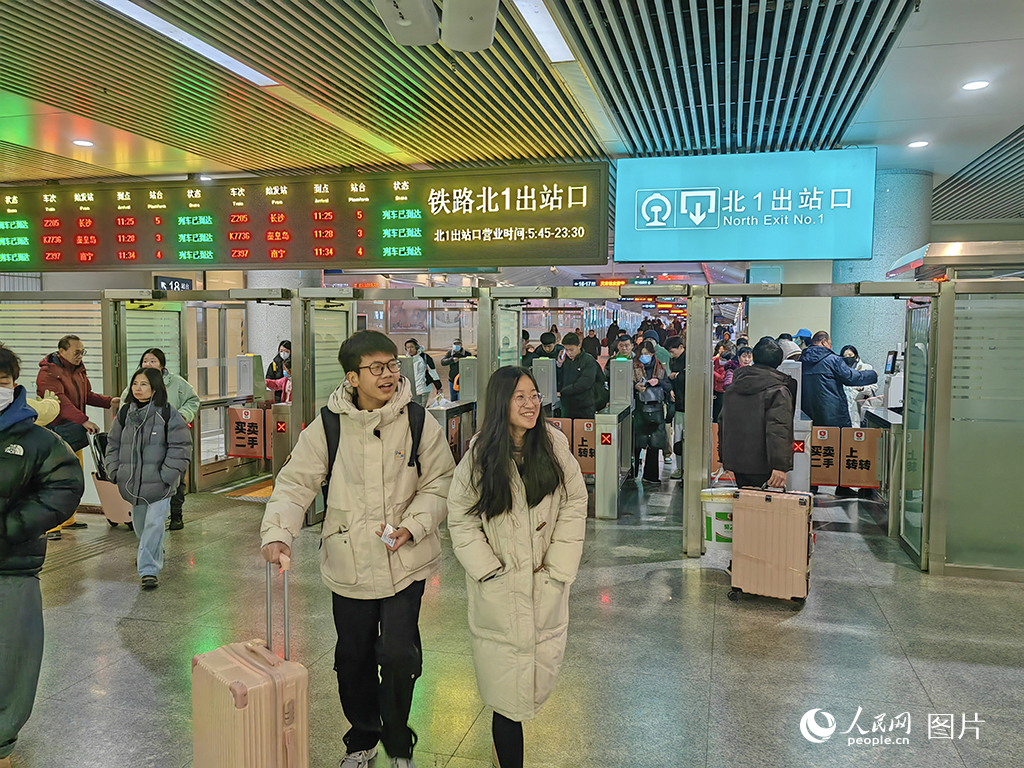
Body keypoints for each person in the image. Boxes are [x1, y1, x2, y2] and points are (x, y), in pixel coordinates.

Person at [260, 331, 456, 768]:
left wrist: (413, 525)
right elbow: (295, 484)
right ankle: (362, 739)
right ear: (353, 377)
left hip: (405, 561)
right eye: (376, 368)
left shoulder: (419, 421)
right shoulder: (328, 425)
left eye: (391, 366)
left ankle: (398, 739)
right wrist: (278, 532)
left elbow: (442, 482)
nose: (388, 375)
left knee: (400, 654)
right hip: (348, 561)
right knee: (353, 658)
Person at [447, 366, 587, 768]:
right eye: (519, 397)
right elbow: (459, 517)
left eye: (534, 395)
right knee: (504, 696)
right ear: (500, 403)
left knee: (533, 680)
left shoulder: (555, 445)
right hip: (499, 590)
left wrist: (559, 566)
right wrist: (488, 569)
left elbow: (576, 502)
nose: (531, 404)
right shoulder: (480, 456)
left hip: (545, 584)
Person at [0, 344, 84, 768]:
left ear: (14, 384)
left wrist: (10, 528)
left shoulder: (37, 440)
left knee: (10, 660)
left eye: (1, 380)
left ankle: (1, 744)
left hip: (12, 568)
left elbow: (66, 487)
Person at [105, 368, 191, 589]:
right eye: (135, 383)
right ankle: (152, 550)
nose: (138, 388)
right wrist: (114, 471)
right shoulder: (125, 413)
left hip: (161, 484)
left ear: (155, 387)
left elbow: (181, 447)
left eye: (143, 384)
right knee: (142, 526)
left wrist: (168, 475)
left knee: (154, 524)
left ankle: (148, 571)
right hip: (133, 484)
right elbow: (113, 444)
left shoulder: (168, 413)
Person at [35, 334, 119, 537]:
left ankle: (68, 519)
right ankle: (52, 525)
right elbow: (60, 402)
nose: (80, 355)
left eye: (82, 352)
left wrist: (110, 402)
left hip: (72, 433)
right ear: (62, 351)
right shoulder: (49, 373)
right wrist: (83, 419)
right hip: (55, 432)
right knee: (55, 479)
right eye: (76, 352)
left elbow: (86, 395)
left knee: (73, 477)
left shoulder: (78, 370)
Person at [121, 348, 199, 530]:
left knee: (173, 478)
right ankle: (143, 519)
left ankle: (176, 514)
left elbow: (193, 401)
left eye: (153, 361)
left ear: (162, 365)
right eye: (145, 361)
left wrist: (181, 416)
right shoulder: (137, 382)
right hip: (143, 444)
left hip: (169, 440)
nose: (148, 364)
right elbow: (126, 404)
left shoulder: (177, 383)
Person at [719, 338, 796, 490]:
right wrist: (780, 466)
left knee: (744, 504)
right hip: (764, 464)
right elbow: (779, 429)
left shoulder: (733, 387)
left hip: (737, 462)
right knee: (763, 509)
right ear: (779, 362)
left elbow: (723, 422)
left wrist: (723, 457)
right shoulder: (778, 390)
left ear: (754, 357)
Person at [800, 331, 879, 428]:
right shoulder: (833, 360)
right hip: (832, 414)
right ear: (824, 342)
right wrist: (873, 374)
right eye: (830, 343)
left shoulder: (801, 360)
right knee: (836, 441)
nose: (830, 346)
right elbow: (850, 377)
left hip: (807, 413)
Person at [632, 341, 672, 483]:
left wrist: (658, 381)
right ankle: (633, 473)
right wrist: (635, 387)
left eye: (647, 354)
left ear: (653, 354)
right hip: (639, 409)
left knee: (654, 443)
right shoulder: (633, 366)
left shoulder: (660, 367)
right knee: (637, 442)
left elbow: (668, 385)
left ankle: (651, 475)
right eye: (642, 354)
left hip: (656, 409)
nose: (644, 357)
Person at [557, 333, 600, 419]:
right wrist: (559, 365)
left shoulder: (588, 361)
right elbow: (558, 379)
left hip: (584, 406)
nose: (569, 353)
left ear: (579, 346)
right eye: (566, 349)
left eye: (571, 350)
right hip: (566, 405)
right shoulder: (564, 360)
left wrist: (562, 392)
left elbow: (584, 383)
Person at [839, 345, 878, 428]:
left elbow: (873, 388)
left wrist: (863, 389)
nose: (847, 358)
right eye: (845, 356)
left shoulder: (866, 368)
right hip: (845, 410)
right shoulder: (840, 371)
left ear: (855, 356)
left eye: (850, 355)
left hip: (860, 408)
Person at [666, 336, 686, 480]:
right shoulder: (673, 360)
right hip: (678, 405)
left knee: (688, 439)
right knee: (678, 439)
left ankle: (688, 468)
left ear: (681, 347)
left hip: (690, 405)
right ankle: (679, 468)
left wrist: (677, 376)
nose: (671, 355)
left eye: (673, 352)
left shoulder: (689, 359)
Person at [404, 339, 442, 408]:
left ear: (417, 347)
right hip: (411, 389)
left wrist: (438, 386)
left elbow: (432, 372)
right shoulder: (406, 359)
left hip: (424, 388)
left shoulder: (424, 357)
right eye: (408, 347)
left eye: (412, 347)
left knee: (421, 409)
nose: (410, 349)